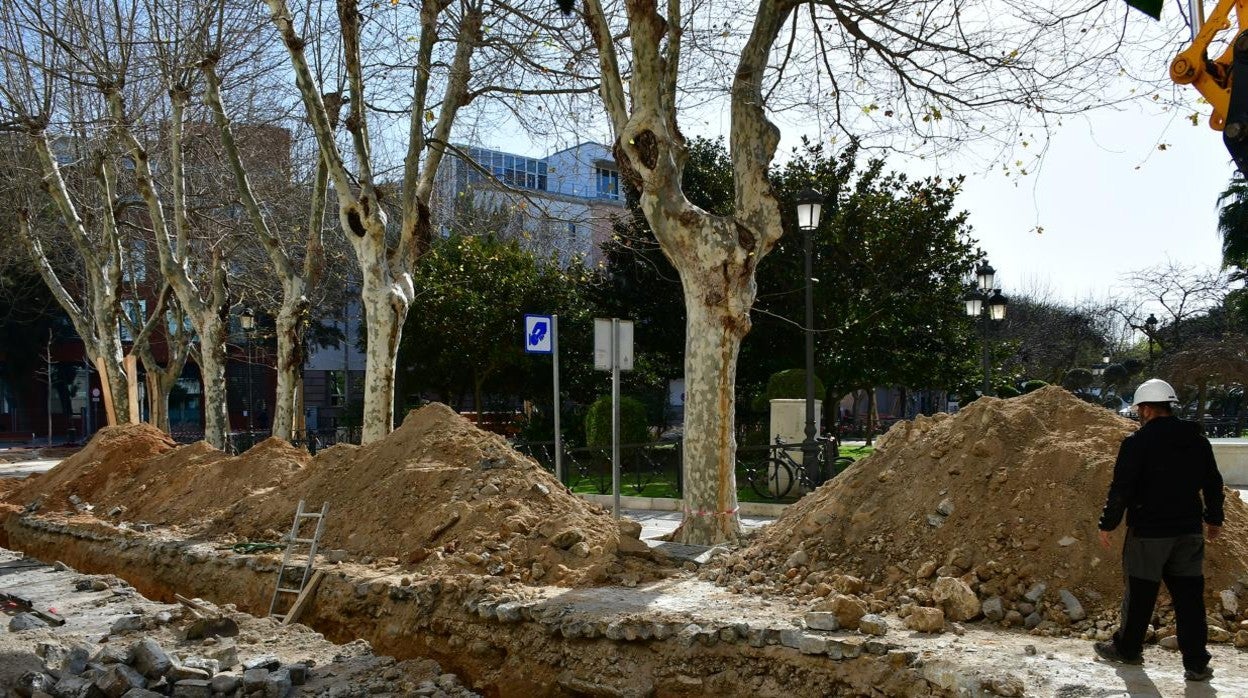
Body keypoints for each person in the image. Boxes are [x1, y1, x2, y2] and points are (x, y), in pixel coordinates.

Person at [1094, 378, 1224, 682]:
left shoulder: (1137, 443)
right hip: (1188, 532)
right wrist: (1214, 519)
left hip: (1149, 534)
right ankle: (1196, 663)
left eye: (1140, 408)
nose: (1139, 413)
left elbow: (1121, 489)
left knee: (1140, 595)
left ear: (1148, 409)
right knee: (1190, 599)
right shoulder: (1198, 440)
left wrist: (1107, 524)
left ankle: (1128, 649)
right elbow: (1213, 483)